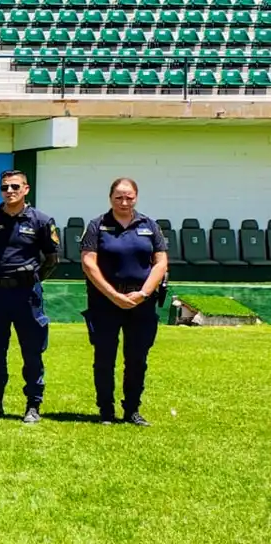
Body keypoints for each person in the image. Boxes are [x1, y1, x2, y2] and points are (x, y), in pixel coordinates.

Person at [79, 178, 169, 427]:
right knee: (104, 357)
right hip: (105, 302)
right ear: (110, 198)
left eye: (129, 197)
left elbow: (161, 262)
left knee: (137, 358)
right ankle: (106, 410)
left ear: (136, 197)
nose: (124, 202)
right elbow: (88, 263)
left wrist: (143, 293)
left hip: (141, 303)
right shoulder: (97, 225)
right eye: (119, 197)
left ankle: (132, 410)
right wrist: (113, 295)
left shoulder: (150, 225)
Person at [0, 170, 60, 423]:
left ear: (26, 189)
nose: (9, 191)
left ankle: (33, 405)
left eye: (15, 186)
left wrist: (33, 279)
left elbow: (52, 259)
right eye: (5, 187)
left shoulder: (41, 220)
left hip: (26, 296)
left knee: (32, 352)